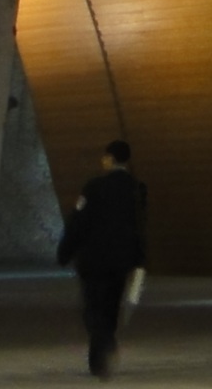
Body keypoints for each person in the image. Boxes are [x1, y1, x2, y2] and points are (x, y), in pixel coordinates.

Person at [57, 139, 149, 379]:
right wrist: (139, 259)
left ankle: (102, 350)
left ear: (109, 158)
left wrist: (64, 252)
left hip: (93, 259)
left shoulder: (94, 187)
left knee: (92, 309)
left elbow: (79, 221)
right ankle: (102, 354)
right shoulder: (137, 189)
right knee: (110, 307)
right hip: (122, 260)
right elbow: (140, 226)